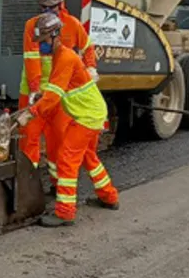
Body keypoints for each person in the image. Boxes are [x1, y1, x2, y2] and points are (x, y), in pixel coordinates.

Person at [18, 12, 118, 227]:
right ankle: (109, 196)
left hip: (87, 115)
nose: (41, 46)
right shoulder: (59, 56)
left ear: (55, 36)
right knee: (87, 155)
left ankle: (65, 212)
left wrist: (31, 113)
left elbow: (53, 97)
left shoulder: (64, 58)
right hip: (88, 112)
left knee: (66, 158)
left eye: (43, 41)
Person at [18, 0, 98, 190]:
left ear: (60, 3)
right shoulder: (32, 26)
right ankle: (28, 188)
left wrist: (90, 68)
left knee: (58, 144)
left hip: (58, 97)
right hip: (34, 93)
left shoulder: (72, 25)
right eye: (43, 7)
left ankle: (57, 185)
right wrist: (35, 89)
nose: (46, 11)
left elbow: (88, 49)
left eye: (50, 7)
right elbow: (31, 57)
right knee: (29, 143)